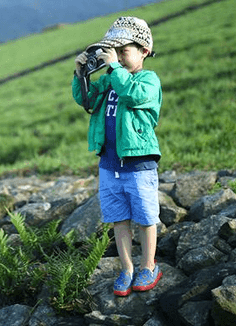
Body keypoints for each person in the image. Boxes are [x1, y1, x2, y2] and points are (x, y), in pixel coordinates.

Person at [71, 16, 163, 297]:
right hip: (109, 164)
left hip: (139, 163)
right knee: (118, 219)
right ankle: (127, 268)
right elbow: (85, 100)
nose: (118, 58)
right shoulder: (110, 80)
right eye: (114, 52)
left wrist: (113, 67)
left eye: (123, 51)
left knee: (146, 217)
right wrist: (80, 74)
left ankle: (149, 265)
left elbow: (132, 95)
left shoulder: (147, 80)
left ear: (144, 51)